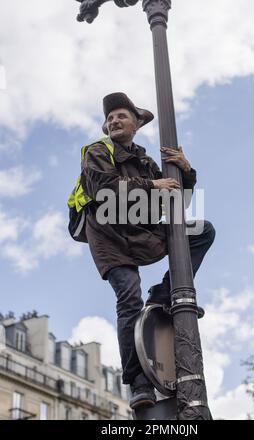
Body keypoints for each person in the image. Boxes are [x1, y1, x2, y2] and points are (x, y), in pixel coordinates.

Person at [81, 92, 216, 410]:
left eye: (121, 116)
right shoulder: (98, 151)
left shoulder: (143, 160)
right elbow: (103, 190)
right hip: (108, 234)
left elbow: (175, 202)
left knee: (202, 231)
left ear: (136, 123)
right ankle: (138, 383)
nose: (114, 120)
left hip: (140, 231)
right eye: (110, 117)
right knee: (128, 297)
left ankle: (162, 294)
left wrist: (186, 171)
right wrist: (153, 186)